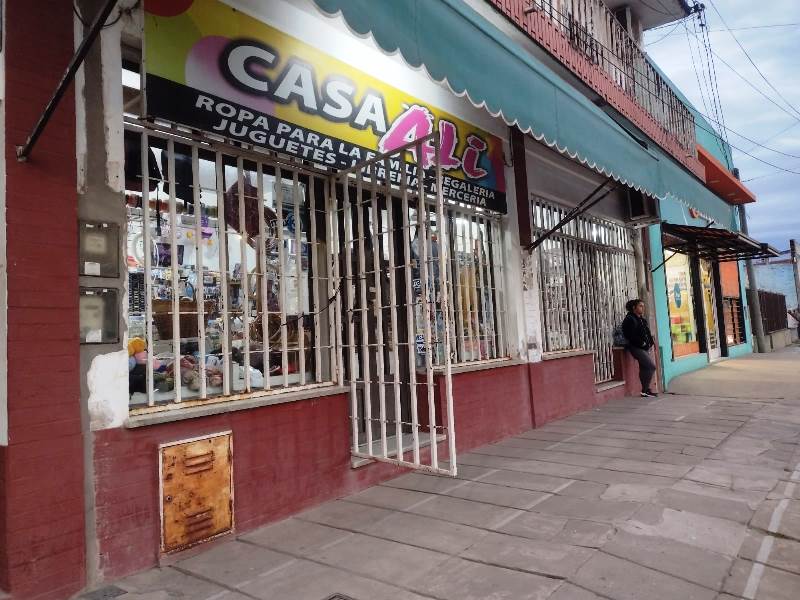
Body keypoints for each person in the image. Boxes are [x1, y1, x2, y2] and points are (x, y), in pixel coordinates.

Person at [622, 298, 658, 398]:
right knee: (651, 366)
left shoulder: (642, 319)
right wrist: (642, 343)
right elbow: (630, 335)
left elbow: (647, 333)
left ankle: (645, 390)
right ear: (634, 307)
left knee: (644, 367)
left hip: (645, 348)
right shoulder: (630, 319)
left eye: (643, 306)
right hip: (636, 347)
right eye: (640, 306)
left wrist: (651, 343)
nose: (643, 308)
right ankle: (645, 390)